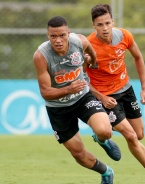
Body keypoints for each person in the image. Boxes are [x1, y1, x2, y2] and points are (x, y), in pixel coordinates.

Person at [33, 15, 121, 184]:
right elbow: (45, 92)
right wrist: (69, 89)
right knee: (78, 155)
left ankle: (102, 140)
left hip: (82, 98)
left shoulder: (79, 42)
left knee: (105, 130)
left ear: (68, 33)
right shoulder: (41, 56)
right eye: (53, 36)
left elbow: (90, 52)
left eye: (62, 35)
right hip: (58, 108)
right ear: (48, 36)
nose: (58, 40)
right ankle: (106, 172)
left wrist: (92, 62)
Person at [85, 4, 145, 184]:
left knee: (139, 135)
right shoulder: (88, 46)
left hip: (126, 90)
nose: (105, 28)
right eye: (100, 25)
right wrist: (101, 98)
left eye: (107, 23)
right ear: (93, 25)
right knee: (130, 135)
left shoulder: (124, 36)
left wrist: (144, 87)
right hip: (107, 97)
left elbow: (138, 57)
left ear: (113, 21)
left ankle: (101, 134)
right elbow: (82, 79)